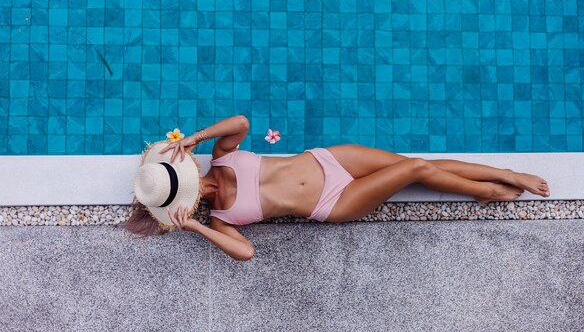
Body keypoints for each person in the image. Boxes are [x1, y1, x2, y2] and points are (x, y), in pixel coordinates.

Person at [121, 115, 550, 261]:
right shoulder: (222, 218)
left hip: (330, 158)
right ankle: (493, 190)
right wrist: (194, 229)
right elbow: (245, 253)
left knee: (417, 163)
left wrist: (194, 137)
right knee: (416, 167)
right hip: (334, 201)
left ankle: (502, 174)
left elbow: (242, 123)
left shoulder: (220, 155)